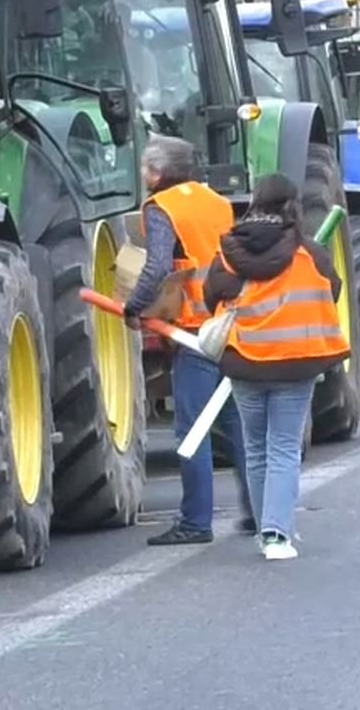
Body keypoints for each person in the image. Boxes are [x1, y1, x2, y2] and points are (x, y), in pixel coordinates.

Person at [202, 173, 347, 560]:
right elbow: (332, 288)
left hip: (245, 362)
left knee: (256, 447)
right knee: (283, 447)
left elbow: (210, 294)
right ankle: (276, 533)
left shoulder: (229, 250)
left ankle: (267, 529)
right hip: (295, 365)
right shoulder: (309, 252)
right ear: (292, 205)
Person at [124, 134, 252, 546]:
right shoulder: (215, 201)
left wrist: (134, 307)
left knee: (192, 431)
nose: (143, 174)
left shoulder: (162, 208)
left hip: (196, 333)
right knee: (234, 423)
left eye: (146, 167)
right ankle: (259, 509)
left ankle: (196, 521)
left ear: (157, 173)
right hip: (229, 324)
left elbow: (158, 265)